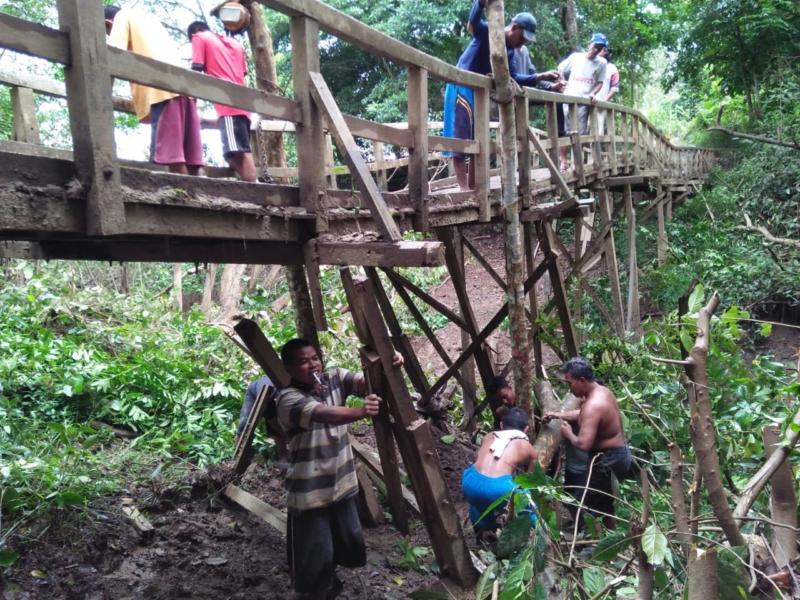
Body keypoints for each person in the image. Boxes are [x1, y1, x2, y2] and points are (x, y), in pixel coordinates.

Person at [275, 339, 401, 600]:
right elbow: (324, 413)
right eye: (303, 361)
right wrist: (360, 411)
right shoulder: (287, 399)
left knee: (346, 543)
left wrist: (391, 363)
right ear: (289, 368)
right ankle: (314, 592)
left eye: (314, 358)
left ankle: (330, 584)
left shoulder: (333, 377)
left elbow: (365, 383)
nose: (312, 365)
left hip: (340, 484)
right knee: (314, 556)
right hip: (310, 493)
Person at [444, 0, 559, 190]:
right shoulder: (490, 32)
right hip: (461, 86)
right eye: (523, 37)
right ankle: (463, 189)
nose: (523, 43)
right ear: (514, 28)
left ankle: (473, 185)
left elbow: (514, 78)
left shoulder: (510, 51)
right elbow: (473, 24)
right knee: (461, 138)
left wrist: (540, 77)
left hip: (480, 92)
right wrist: (479, 4)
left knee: (478, 139)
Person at [104, 5, 204, 175]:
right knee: (191, 160)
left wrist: (102, 91)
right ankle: (202, 198)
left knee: (173, 158)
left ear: (107, 23)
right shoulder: (149, 20)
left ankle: (183, 197)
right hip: (186, 89)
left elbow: (113, 55)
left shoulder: (122, 17)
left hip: (162, 90)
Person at [543, 357, 632, 530]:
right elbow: (582, 414)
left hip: (610, 459)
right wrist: (557, 414)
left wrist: (568, 434)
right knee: (603, 502)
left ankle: (589, 543)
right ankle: (605, 536)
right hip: (616, 454)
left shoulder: (594, 405)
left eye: (570, 383)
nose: (570, 388)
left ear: (582, 380)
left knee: (583, 500)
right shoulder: (601, 392)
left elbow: (583, 443)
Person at [188, 17, 258, 183]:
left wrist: (192, 105)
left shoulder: (199, 37)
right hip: (243, 104)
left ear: (193, 34)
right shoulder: (235, 44)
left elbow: (195, 72)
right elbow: (243, 74)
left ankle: (256, 194)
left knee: (239, 154)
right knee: (233, 153)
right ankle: (253, 189)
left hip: (228, 104)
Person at [462, 407, 538, 540]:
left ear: (502, 425)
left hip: (470, 482)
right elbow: (529, 480)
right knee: (528, 505)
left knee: (479, 503)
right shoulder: (528, 448)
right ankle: (534, 536)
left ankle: (482, 531)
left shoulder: (489, 436)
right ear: (526, 429)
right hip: (499, 489)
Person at [557, 33, 609, 171]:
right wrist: (562, 82)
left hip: (583, 102)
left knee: (578, 134)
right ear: (589, 44)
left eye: (600, 48)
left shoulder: (602, 63)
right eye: (595, 46)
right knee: (564, 131)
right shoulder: (576, 57)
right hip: (567, 98)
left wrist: (593, 93)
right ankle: (563, 162)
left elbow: (600, 82)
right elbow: (561, 68)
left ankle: (576, 165)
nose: (596, 49)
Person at [236, 375, 288, 468]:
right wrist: (289, 436)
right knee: (245, 424)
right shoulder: (270, 396)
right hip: (255, 393)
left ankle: (283, 456)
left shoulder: (292, 392)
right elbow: (272, 421)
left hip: (275, 396)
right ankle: (238, 457)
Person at [596, 46, 620, 135]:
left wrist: (604, 102)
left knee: (598, 133)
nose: (597, 51)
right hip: (584, 102)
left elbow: (615, 87)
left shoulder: (611, 68)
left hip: (601, 104)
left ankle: (595, 149)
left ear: (605, 51)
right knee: (581, 132)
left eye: (599, 49)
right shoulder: (589, 64)